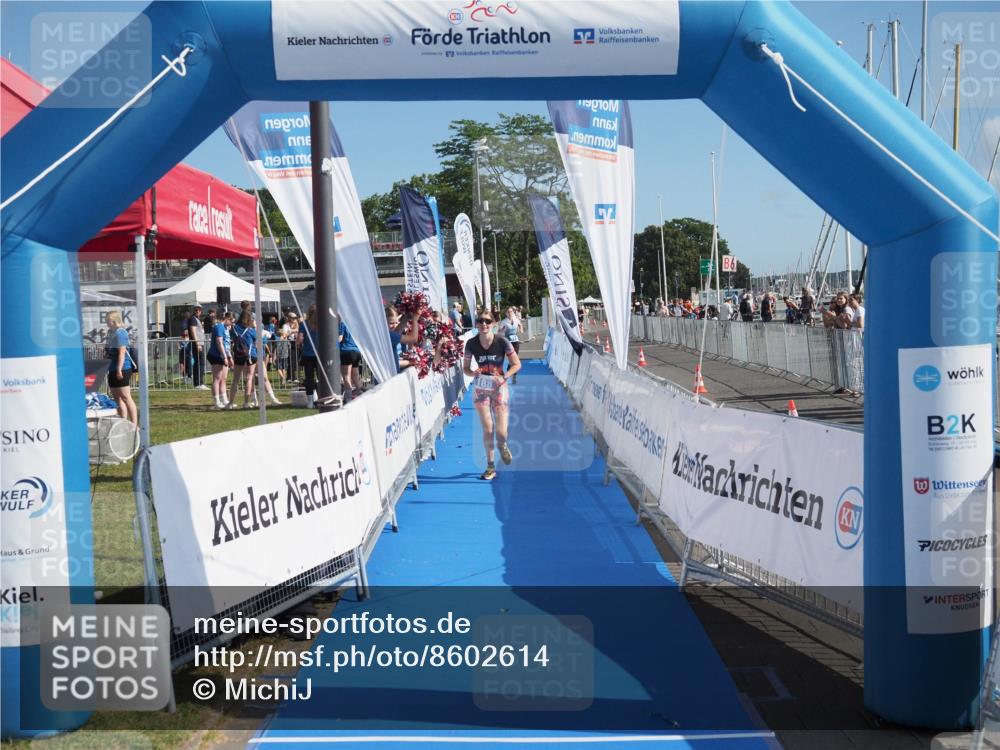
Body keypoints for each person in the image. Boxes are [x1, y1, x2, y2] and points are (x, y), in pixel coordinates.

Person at [463, 311, 521, 481]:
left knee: (501, 433)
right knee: (488, 429)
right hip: (481, 389)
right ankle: (490, 466)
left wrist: (504, 376)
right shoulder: (471, 343)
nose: (484, 324)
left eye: (487, 321)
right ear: (476, 324)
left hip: (499, 388)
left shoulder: (502, 342)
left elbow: (517, 364)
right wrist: (473, 373)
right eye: (480, 321)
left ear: (494, 324)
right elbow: (465, 368)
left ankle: (502, 445)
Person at [105, 311, 137, 425]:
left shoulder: (121, 333)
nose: (106, 323)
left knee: (126, 397)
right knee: (117, 398)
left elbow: (122, 352)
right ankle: (123, 422)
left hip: (123, 368)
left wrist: (119, 369)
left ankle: (134, 424)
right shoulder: (111, 333)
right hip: (112, 368)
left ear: (114, 321)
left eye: (108, 320)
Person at [227, 310, 259, 409]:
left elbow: (231, 337)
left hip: (239, 355)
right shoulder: (251, 330)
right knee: (249, 378)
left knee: (235, 379)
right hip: (250, 355)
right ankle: (246, 403)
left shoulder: (234, 328)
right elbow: (256, 341)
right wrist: (254, 327)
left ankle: (230, 403)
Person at [207, 311, 234, 409]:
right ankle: (217, 402)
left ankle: (225, 400)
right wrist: (225, 357)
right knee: (217, 379)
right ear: (227, 319)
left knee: (223, 379)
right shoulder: (219, 327)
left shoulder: (225, 328)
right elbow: (219, 343)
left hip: (223, 355)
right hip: (216, 355)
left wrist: (229, 357)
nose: (232, 324)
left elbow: (226, 344)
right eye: (231, 321)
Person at [385, 305, 420, 373]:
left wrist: (406, 317)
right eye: (391, 323)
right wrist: (415, 319)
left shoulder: (387, 335)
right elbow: (414, 339)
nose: (395, 325)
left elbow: (396, 332)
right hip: (390, 377)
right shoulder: (389, 336)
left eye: (396, 322)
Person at [298, 305, 319, 407]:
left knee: (309, 378)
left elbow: (299, 339)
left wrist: (300, 343)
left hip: (307, 354)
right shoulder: (322, 323)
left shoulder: (304, 324)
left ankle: (310, 401)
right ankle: (321, 398)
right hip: (320, 355)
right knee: (321, 378)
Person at [498, 307, 523, 384]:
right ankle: (508, 374)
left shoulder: (516, 319)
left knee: (515, 359)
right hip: (508, 341)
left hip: (516, 340)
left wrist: (521, 329)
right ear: (506, 313)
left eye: (511, 311)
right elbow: (499, 331)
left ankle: (513, 376)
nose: (510, 313)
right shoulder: (504, 321)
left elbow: (520, 325)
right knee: (511, 360)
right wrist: (502, 330)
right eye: (508, 312)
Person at [339, 320, 363, 399]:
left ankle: (348, 397)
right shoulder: (356, 324)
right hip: (356, 351)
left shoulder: (343, 324)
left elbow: (340, 338)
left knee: (346, 376)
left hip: (346, 351)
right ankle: (361, 394)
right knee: (355, 376)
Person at [186, 305, 207, 389]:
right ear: (193, 311)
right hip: (197, 344)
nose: (198, 311)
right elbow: (193, 332)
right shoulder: (193, 319)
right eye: (196, 310)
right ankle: (198, 383)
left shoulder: (196, 319)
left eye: (199, 310)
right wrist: (197, 344)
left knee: (199, 363)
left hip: (200, 343)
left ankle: (198, 383)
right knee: (200, 363)